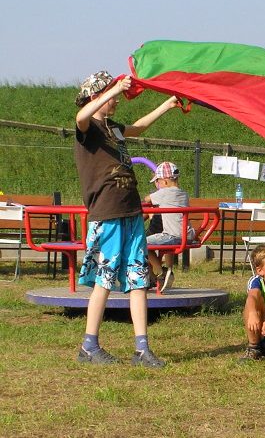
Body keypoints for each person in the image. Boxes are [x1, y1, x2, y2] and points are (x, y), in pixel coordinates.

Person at [74, 71, 180, 367]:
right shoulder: (89, 128)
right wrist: (112, 90)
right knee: (104, 280)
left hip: (131, 211)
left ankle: (142, 349)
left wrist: (167, 105)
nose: (117, 99)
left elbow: (139, 127)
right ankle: (88, 346)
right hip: (107, 213)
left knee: (138, 279)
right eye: (111, 95)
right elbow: (81, 115)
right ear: (97, 97)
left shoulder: (113, 128)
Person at [143, 161, 194, 291]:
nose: (158, 185)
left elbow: (147, 199)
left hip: (172, 235)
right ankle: (160, 274)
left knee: (140, 243)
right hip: (187, 235)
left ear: (165, 181)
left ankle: (161, 272)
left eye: (158, 182)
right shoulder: (184, 194)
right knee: (152, 241)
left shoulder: (163, 193)